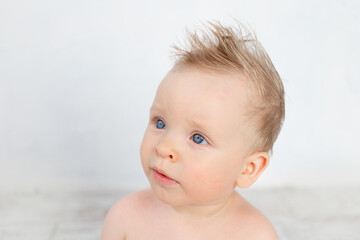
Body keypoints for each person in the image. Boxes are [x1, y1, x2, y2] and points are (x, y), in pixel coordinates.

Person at [101, 20, 284, 240]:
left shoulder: (254, 235)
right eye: (160, 123)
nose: (163, 147)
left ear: (248, 169)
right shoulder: (125, 218)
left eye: (198, 138)